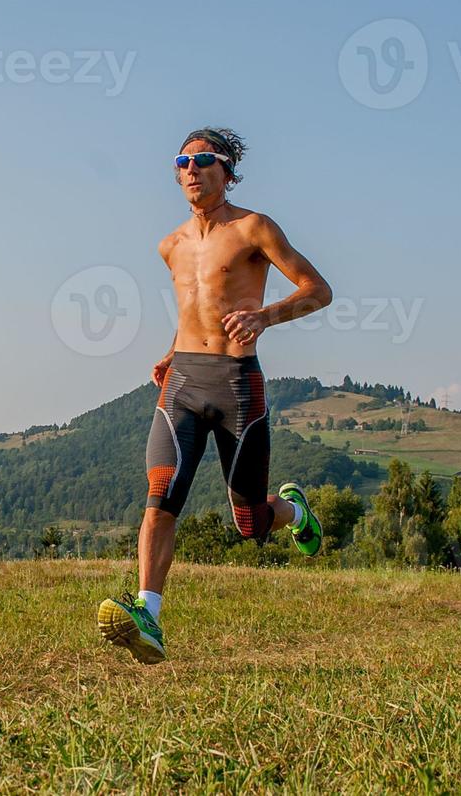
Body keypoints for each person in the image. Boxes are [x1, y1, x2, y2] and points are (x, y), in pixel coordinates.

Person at [97, 127, 334, 664]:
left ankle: (293, 512)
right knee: (161, 497)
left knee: (250, 524)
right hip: (181, 380)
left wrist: (265, 317)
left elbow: (318, 290)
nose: (191, 169)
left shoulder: (254, 228)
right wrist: (170, 349)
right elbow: (195, 307)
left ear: (226, 172)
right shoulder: (170, 245)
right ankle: (148, 616)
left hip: (236, 384)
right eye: (182, 161)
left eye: (203, 160)